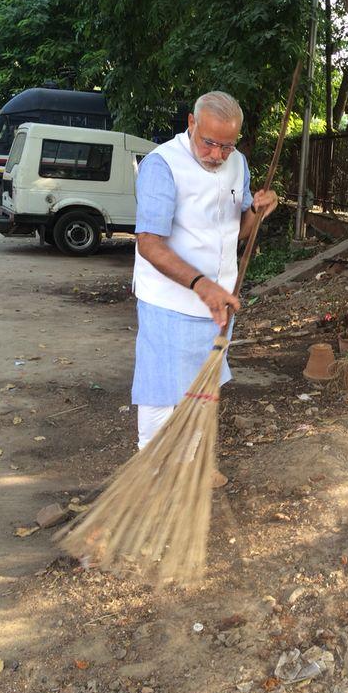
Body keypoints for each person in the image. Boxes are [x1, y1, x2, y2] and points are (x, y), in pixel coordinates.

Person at [131, 91, 278, 477]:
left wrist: (257, 212)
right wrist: (200, 284)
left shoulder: (238, 165)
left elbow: (241, 233)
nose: (216, 154)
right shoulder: (162, 165)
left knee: (202, 387)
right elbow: (149, 244)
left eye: (226, 146)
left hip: (217, 302)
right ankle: (150, 471)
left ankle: (187, 466)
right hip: (169, 300)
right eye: (208, 142)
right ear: (191, 124)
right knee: (163, 391)